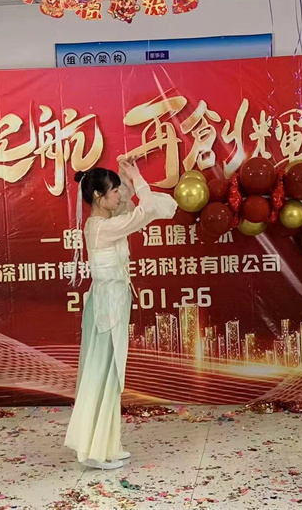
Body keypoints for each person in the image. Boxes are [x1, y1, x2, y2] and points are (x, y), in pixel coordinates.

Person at [64, 159, 177, 470]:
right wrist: (137, 177)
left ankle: (106, 445)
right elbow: (148, 209)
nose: (118, 195)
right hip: (108, 305)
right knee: (104, 373)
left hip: (110, 301)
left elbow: (136, 205)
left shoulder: (105, 221)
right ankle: (96, 451)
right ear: (98, 196)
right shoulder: (105, 227)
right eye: (113, 191)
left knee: (108, 374)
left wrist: (127, 178)